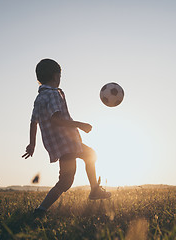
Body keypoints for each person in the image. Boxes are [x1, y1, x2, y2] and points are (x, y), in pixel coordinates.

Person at [22, 59, 111, 215]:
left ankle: (40, 210)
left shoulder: (39, 98)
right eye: (60, 75)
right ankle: (95, 191)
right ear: (56, 76)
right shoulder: (54, 94)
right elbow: (56, 119)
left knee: (65, 181)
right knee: (90, 155)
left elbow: (33, 122)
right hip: (67, 142)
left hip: (59, 146)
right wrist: (80, 124)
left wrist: (32, 144)